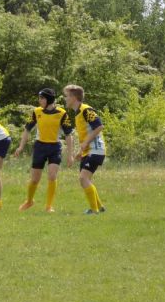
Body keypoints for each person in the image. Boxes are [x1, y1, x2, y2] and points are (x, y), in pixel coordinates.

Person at [14, 88, 74, 212]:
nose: (39, 100)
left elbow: (69, 135)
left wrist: (70, 155)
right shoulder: (36, 112)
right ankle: (29, 201)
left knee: (52, 176)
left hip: (55, 147)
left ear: (49, 99)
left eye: (42, 98)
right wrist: (20, 147)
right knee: (35, 179)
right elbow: (27, 130)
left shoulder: (62, 113)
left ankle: (49, 206)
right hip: (40, 146)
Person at [63, 84, 107, 215]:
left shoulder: (86, 110)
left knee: (83, 178)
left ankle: (94, 211)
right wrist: (80, 152)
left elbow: (99, 127)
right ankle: (100, 207)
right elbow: (86, 134)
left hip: (96, 150)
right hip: (89, 151)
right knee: (85, 180)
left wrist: (86, 142)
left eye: (67, 96)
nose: (65, 99)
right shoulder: (77, 114)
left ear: (74, 97)